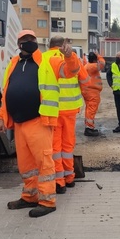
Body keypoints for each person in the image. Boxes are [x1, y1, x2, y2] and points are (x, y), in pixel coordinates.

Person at [0, 30, 79, 218]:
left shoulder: (48, 60)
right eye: (24, 40)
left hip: (39, 120)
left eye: (31, 39)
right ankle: (30, 196)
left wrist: (69, 56)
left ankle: (47, 201)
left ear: (36, 41)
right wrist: (2, 117)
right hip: (19, 122)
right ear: (18, 44)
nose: (28, 42)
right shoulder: (13, 63)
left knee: (44, 162)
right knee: (26, 165)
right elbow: (5, 93)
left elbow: (70, 71)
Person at [46, 36, 90, 193]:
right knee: (68, 145)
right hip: (71, 110)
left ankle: (59, 181)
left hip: (52, 110)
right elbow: (85, 81)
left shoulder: (44, 58)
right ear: (63, 45)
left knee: (55, 147)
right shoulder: (73, 59)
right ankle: (69, 177)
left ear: (49, 45)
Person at [82, 51, 106, 136]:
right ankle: (89, 128)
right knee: (91, 109)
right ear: (95, 59)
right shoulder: (92, 66)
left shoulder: (87, 66)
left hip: (88, 91)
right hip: (92, 91)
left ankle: (88, 126)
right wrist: (99, 55)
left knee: (89, 109)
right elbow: (102, 63)